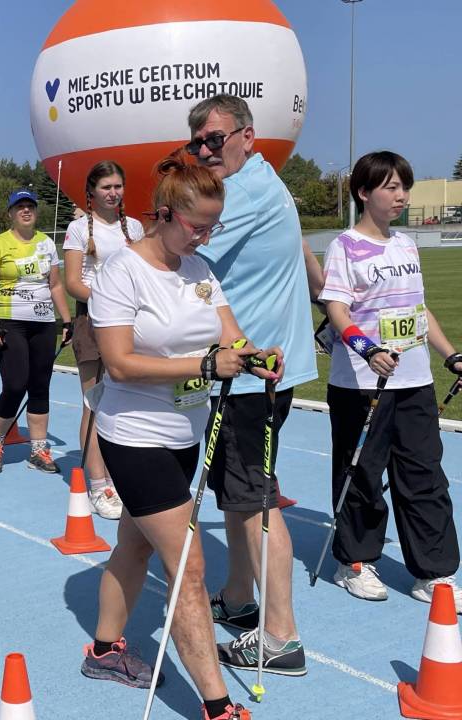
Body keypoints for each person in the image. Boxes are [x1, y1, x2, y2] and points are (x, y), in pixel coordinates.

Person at [82, 152, 280, 720]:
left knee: (136, 543)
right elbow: (119, 363)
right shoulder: (121, 271)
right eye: (197, 226)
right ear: (165, 214)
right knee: (189, 568)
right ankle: (218, 707)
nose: (205, 237)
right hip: (133, 435)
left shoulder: (200, 270)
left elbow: (231, 337)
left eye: (213, 226)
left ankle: (104, 651)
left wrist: (256, 356)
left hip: (185, 435)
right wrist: (204, 365)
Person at [185, 94, 314, 676]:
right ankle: (239, 598)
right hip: (254, 369)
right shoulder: (261, 180)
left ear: (247, 136)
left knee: (253, 499)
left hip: (249, 372)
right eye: (197, 143)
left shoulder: (242, 192)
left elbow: (182, 240)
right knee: (236, 497)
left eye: (215, 139)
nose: (205, 151)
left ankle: (281, 637)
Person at [319, 150, 462, 608]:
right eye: (391, 187)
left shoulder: (405, 244)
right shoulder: (345, 246)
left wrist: (451, 355)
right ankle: (355, 562)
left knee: (425, 476)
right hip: (362, 383)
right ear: (364, 192)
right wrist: (368, 350)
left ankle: (433, 572)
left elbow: (419, 311)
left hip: (414, 383)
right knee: (361, 474)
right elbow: (336, 310)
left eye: (405, 187)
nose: (402, 196)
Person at [63, 161, 144, 519]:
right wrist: (109, 301)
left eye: (117, 186)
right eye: (106, 187)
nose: (113, 193)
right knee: (94, 402)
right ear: (91, 192)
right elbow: (72, 283)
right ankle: (98, 484)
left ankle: (119, 475)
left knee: (124, 403)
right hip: (94, 322)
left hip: (130, 323)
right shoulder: (78, 229)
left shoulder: (135, 228)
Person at [0, 189, 72, 474]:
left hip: (43, 323)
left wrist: (66, 321)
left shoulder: (46, 243)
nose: (25, 211)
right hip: (10, 321)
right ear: (11, 213)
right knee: (14, 385)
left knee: (40, 385)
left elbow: (55, 285)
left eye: (30, 206)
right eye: (19, 207)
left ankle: (38, 449)